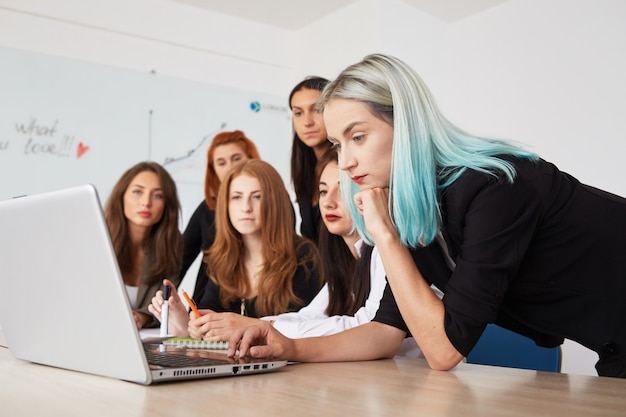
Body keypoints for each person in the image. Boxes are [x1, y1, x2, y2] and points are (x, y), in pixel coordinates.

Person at [229, 53, 626, 378]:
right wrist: (291, 347)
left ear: (405, 123)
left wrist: (384, 234)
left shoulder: (493, 185)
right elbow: (386, 329)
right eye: (337, 143)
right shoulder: (415, 209)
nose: (346, 162)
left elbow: (444, 350)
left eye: (358, 136)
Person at [183, 149, 438, 357]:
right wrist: (244, 326)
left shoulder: (388, 247)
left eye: (344, 189)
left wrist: (260, 326)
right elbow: (312, 315)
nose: (328, 202)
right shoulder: (345, 256)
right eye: (324, 190)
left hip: (417, 377)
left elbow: (369, 326)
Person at [149, 159, 323, 335]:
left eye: (257, 197)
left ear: (275, 203)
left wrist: (239, 325)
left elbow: (303, 329)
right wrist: (185, 322)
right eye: (237, 197)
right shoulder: (222, 257)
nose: (245, 208)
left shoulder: (305, 257)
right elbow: (209, 319)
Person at [180, 130, 260, 303]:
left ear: (251, 158)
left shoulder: (275, 200)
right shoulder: (207, 208)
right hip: (209, 305)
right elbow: (180, 259)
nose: (231, 167)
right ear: (213, 170)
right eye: (221, 163)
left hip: (260, 307)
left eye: (237, 158)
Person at [104, 161, 183, 329]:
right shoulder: (98, 240)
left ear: (167, 205)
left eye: (157, 195)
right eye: (137, 192)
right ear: (122, 196)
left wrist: (142, 317)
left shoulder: (172, 246)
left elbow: (164, 305)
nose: (146, 202)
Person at [289, 76, 332, 244]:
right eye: (298, 113)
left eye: (317, 110)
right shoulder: (304, 170)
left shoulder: (349, 166)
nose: (307, 122)